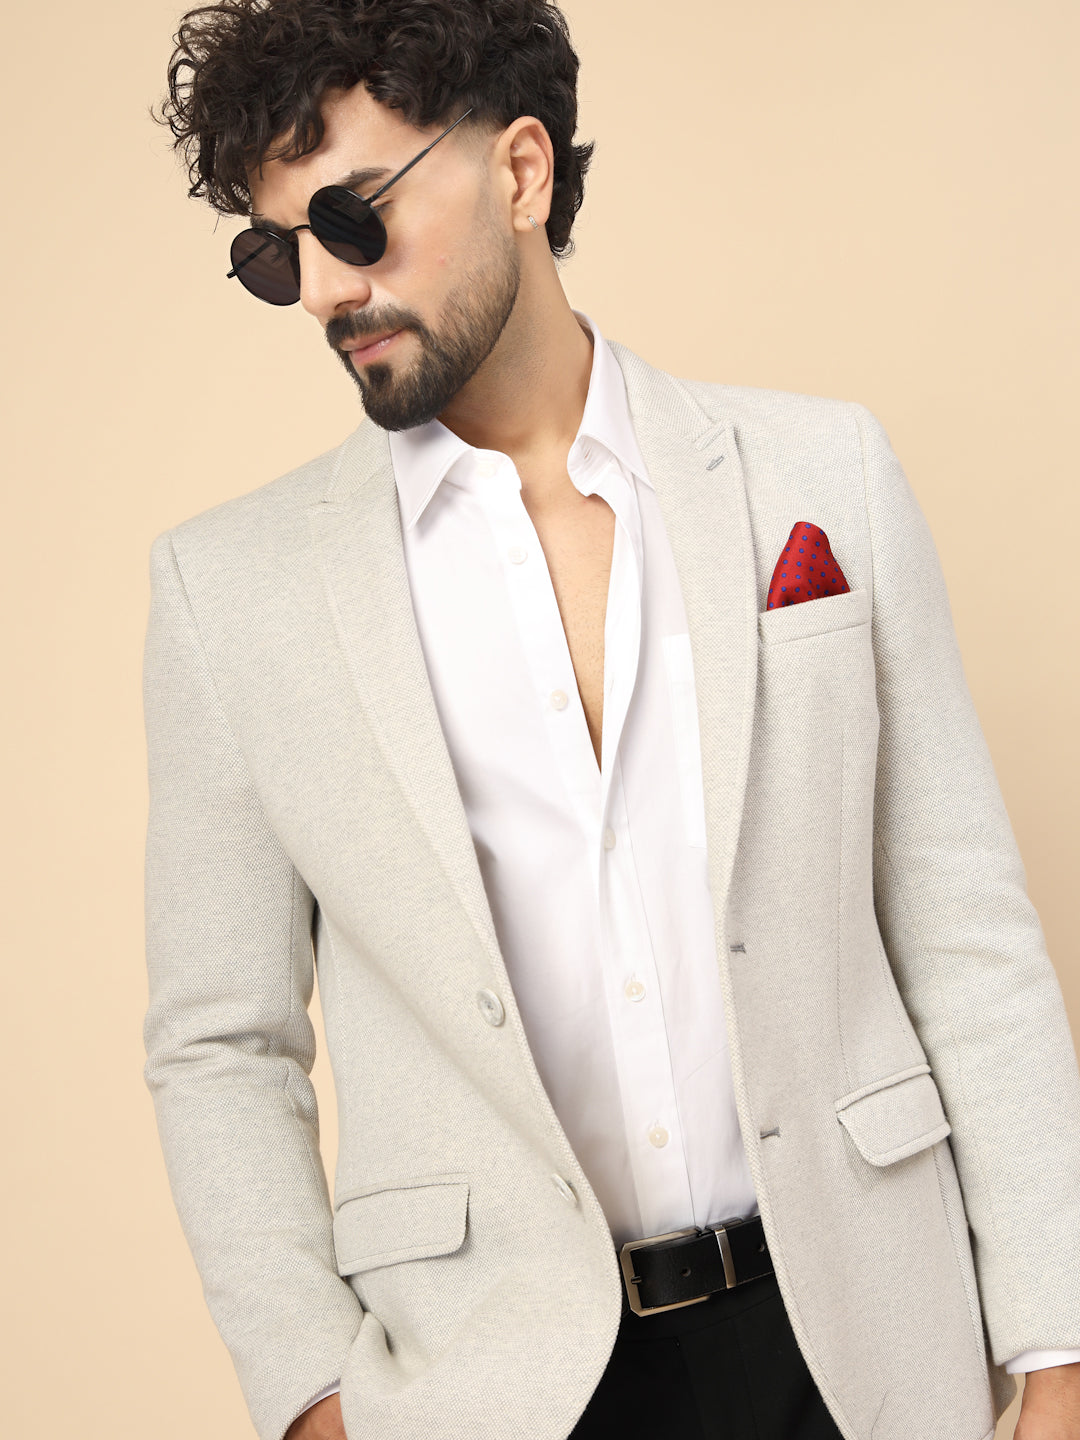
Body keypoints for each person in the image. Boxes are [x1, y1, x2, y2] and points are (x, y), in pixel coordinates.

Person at [142, 2, 1080, 1438]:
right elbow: (221, 1041)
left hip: (860, 1341)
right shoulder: (231, 594)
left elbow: (966, 933)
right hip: (494, 1386)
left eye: (351, 216)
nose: (327, 288)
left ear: (521, 172)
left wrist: (1059, 1345)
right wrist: (313, 1396)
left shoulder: (819, 471)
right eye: (280, 252)